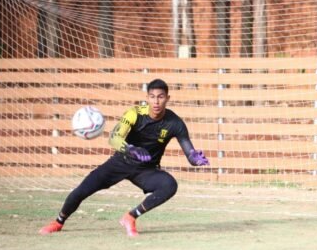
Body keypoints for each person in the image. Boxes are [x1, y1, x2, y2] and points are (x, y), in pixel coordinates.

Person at [39, 79, 210, 237]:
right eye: (152, 97)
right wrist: (131, 149)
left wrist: (195, 158)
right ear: (147, 98)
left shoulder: (175, 123)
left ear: (167, 98)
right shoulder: (134, 114)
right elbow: (113, 138)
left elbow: (189, 152)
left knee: (169, 185)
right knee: (81, 191)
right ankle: (58, 222)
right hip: (121, 162)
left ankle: (130, 217)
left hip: (146, 170)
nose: (156, 101)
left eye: (160, 97)